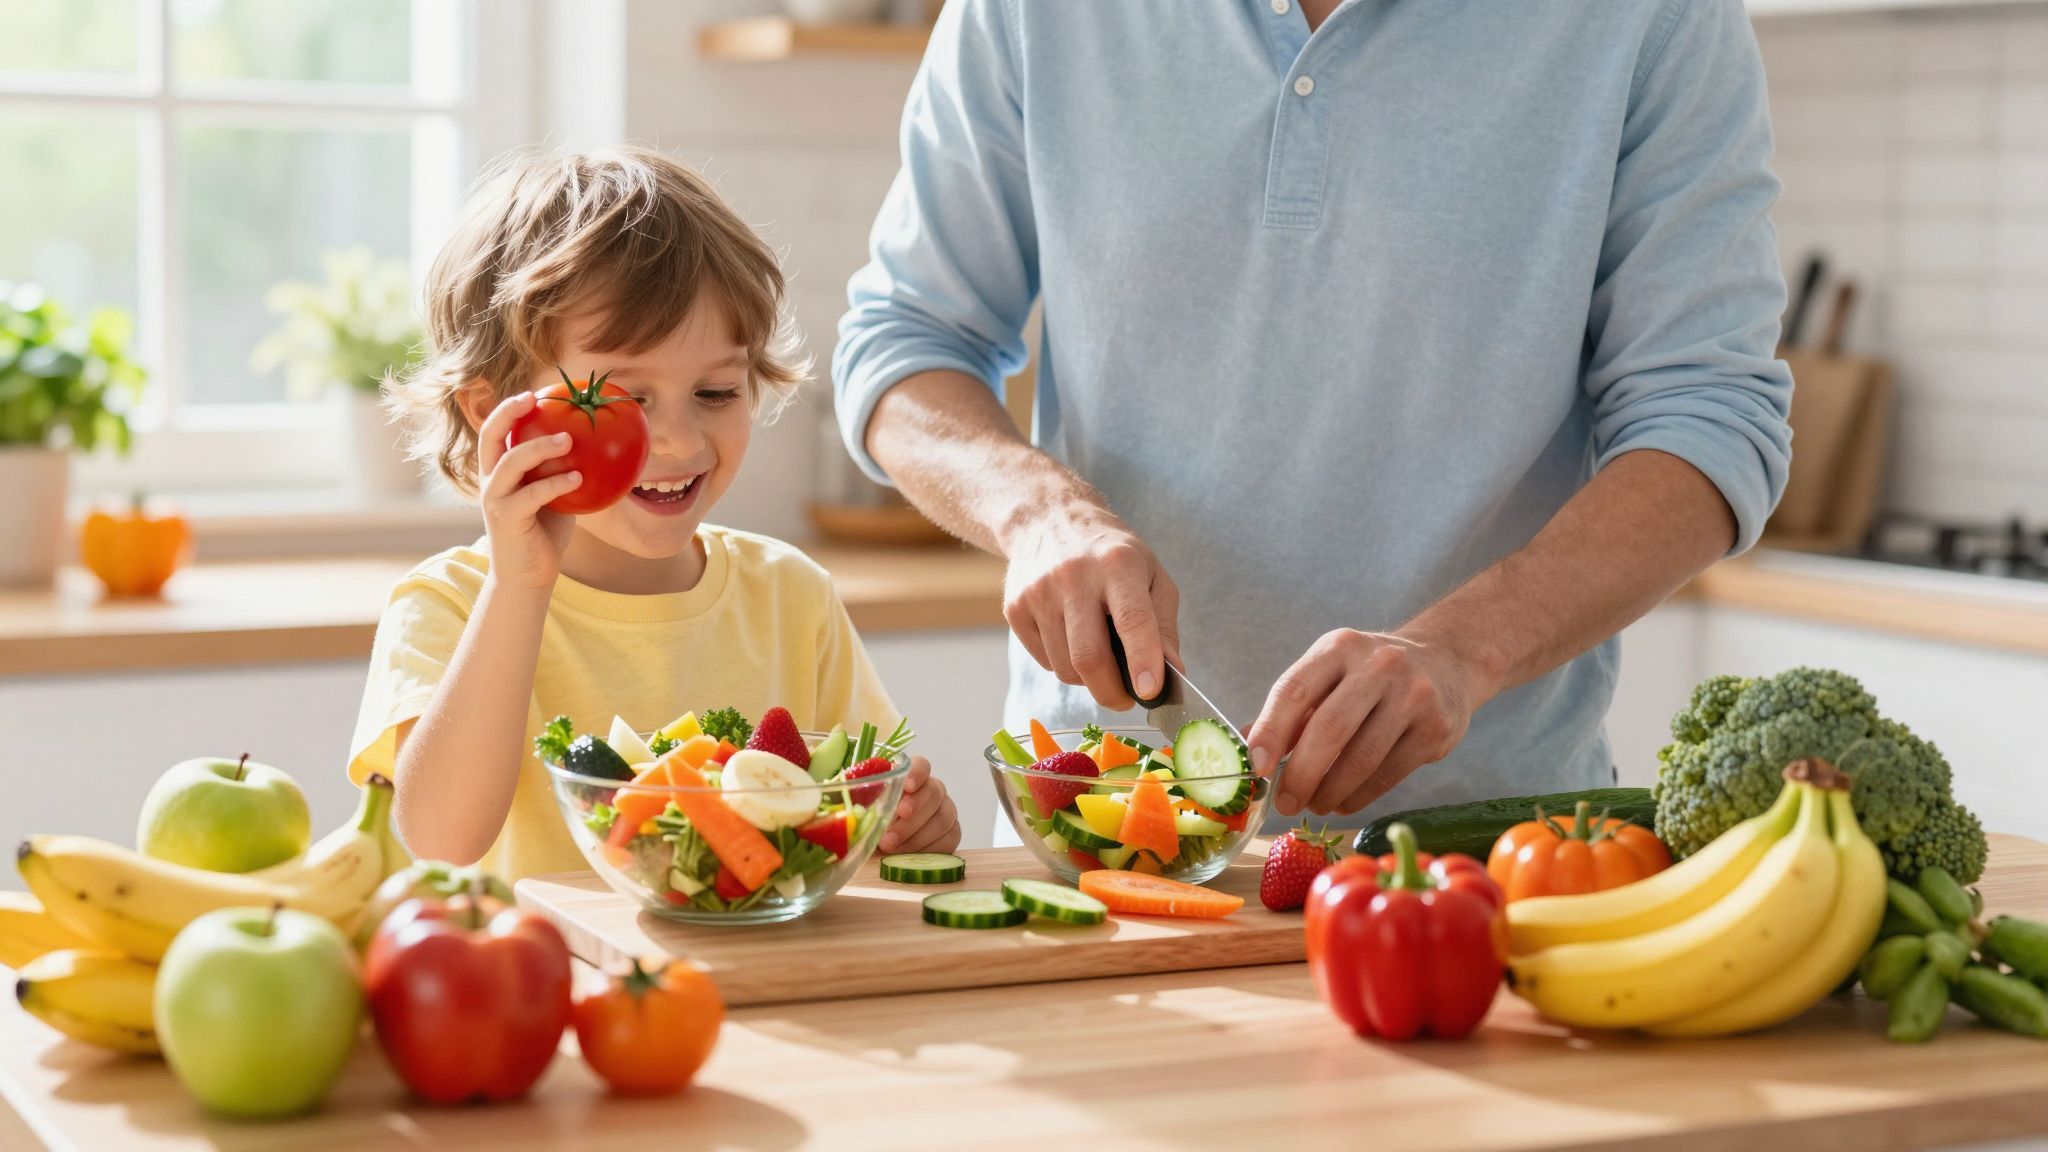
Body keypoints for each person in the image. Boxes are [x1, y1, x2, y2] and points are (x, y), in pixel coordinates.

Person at [835, 0, 1793, 828]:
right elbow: (905, 341)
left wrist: (1460, 651)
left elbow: (1710, 416)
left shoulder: (1655, 18)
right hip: (1098, 832)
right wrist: (1041, 515)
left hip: (1485, 859)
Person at [352, 146, 960, 880]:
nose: (678, 440)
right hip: (543, 989)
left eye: (716, 393)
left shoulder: (790, 595)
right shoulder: (443, 605)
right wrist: (520, 585)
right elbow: (439, 842)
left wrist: (913, 825)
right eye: (625, 400)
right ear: (495, 415)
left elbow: (860, 809)